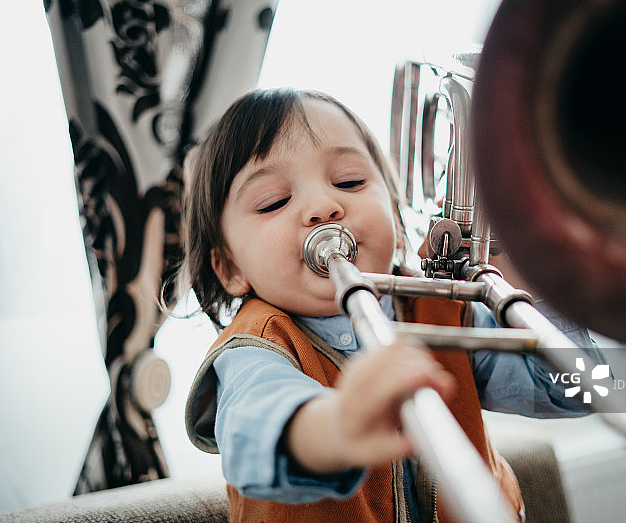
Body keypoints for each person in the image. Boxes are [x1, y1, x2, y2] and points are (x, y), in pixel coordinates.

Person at [180, 88, 601, 523]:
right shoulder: (255, 349)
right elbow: (255, 428)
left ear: (396, 224)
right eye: (274, 201)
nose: (324, 207)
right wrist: (337, 424)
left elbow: (574, 392)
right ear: (229, 268)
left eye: (349, 182)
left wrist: (537, 281)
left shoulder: (441, 311)